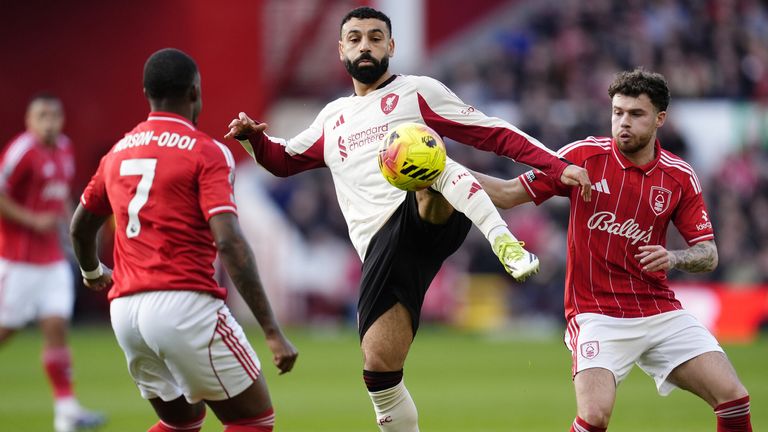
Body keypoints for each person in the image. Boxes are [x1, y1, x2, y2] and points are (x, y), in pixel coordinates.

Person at [225, 6, 592, 431]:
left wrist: (554, 163)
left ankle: (504, 242)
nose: (366, 45)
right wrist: (254, 139)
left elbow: (491, 131)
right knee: (379, 367)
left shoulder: (417, 92)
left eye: (375, 37)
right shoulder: (332, 118)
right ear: (341, 49)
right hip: (380, 248)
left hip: (425, 213)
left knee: (422, 157)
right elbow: (283, 160)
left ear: (391, 46)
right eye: (356, 38)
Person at [475, 69, 752, 431]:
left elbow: (708, 253)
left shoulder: (679, 176)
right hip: (596, 314)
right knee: (594, 417)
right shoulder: (583, 157)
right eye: (618, 112)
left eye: (636, 114)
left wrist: (674, 257)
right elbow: (508, 194)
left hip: (658, 309)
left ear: (660, 119)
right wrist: (446, 174)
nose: (623, 122)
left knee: (734, 399)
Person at [70, 48, 298, 432]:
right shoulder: (207, 152)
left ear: (146, 93)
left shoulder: (117, 154)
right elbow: (230, 243)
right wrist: (272, 331)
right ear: (195, 92)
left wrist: (92, 272)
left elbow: (80, 226)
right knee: (254, 420)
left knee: (182, 424)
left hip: (125, 312)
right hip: (184, 305)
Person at [0, 93, 105, 432]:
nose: (49, 123)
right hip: (18, 261)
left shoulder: (65, 149)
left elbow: (60, 198)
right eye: (42, 116)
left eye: (54, 116)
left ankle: (66, 412)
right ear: (29, 121)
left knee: (57, 327)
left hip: (53, 260)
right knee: (6, 329)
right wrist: (32, 220)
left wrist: (73, 228)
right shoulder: (21, 152)